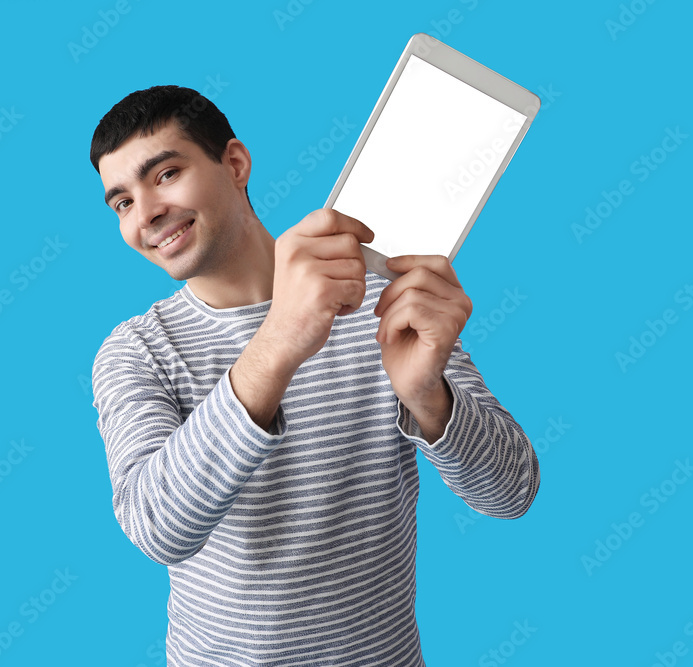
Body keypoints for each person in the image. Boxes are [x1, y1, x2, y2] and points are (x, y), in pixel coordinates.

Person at [89, 85, 539, 667]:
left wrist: (428, 396)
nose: (146, 213)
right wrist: (279, 341)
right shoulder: (137, 351)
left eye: (166, 174)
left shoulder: (382, 302)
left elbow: (512, 493)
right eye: (121, 202)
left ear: (235, 163)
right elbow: (157, 529)